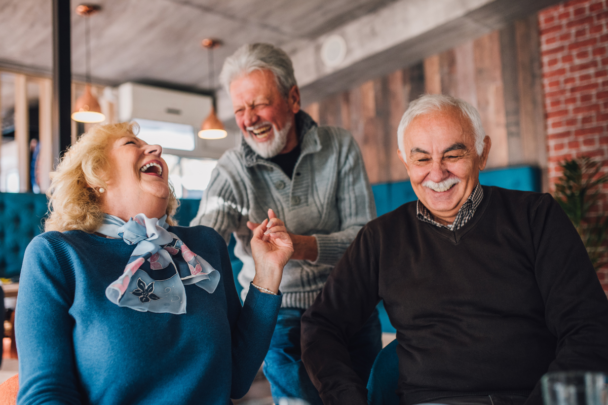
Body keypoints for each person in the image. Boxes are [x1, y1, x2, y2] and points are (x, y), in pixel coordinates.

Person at [301, 94, 608, 405]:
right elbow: (322, 326)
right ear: (405, 161)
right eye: (421, 159)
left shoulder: (536, 217)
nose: (437, 174)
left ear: (482, 153)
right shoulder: (380, 238)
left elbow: (589, 325)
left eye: (453, 155)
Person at [15, 122, 294, 405]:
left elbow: (237, 378)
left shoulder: (204, 246)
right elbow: (44, 394)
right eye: (130, 144)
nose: (155, 148)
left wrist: (268, 273)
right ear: (94, 175)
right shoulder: (56, 255)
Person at [190, 43, 381, 404]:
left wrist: (301, 245)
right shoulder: (231, 170)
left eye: (259, 104)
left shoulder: (339, 146)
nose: (249, 119)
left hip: (348, 300)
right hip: (278, 309)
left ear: (293, 98)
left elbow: (365, 240)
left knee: (369, 398)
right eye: (240, 110)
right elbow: (203, 237)